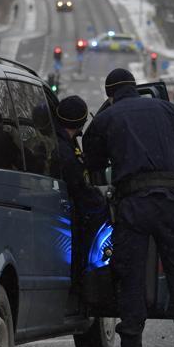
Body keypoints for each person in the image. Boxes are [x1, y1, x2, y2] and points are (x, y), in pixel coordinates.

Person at [83, 68, 174, 347]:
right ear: (136, 88)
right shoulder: (167, 110)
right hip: (171, 205)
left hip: (132, 206)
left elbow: (91, 166)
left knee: (131, 280)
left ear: (110, 93)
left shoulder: (108, 118)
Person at [54, 96, 109, 289]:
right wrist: (101, 202)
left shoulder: (61, 143)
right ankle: (82, 288)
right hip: (66, 216)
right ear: (80, 123)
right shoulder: (65, 150)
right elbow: (78, 187)